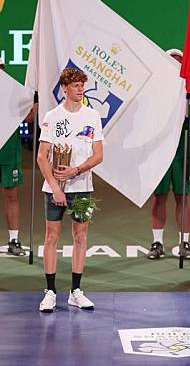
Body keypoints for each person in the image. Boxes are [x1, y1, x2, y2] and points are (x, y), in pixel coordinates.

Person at [37, 67, 103, 312]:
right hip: (55, 189)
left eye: (82, 85)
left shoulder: (92, 116)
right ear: (64, 88)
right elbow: (42, 158)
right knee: (51, 237)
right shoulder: (52, 117)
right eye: (75, 86)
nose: (80, 89)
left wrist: (75, 171)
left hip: (83, 187)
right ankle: (50, 292)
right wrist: (56, 188)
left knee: (80, 237)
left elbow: (98, 155)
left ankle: (76, 291)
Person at [146, 49, 190, 260]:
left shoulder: (189, 90)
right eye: (172, 63)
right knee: (159, 197)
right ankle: (157, 243)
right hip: (159, 147)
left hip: (181, 146)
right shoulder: (154, 90)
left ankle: (184, 243)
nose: (175, 67)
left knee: (182, 196)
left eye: (179, 64)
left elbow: (185, 110)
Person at [0, 58, 34, 256]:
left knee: (12, 195)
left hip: (10, 151)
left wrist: (33, 107)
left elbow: (27, 117)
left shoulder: (14, 91)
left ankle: (14, 240)